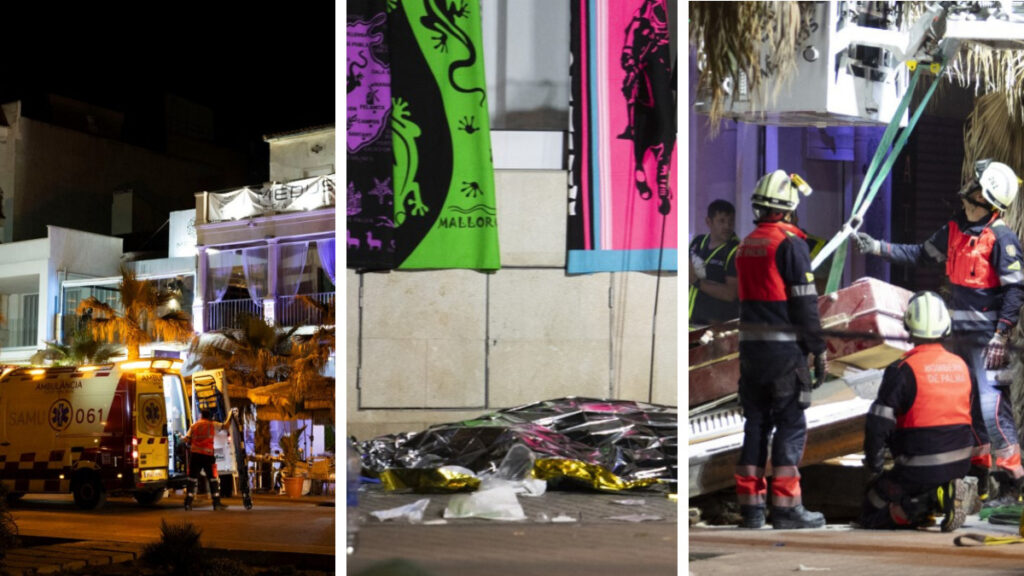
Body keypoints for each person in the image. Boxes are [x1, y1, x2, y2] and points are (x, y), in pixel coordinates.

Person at [857, 159, 1024, 507]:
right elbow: (920, 254)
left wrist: (1001, 335)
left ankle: (1013, 482)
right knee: (970, 409)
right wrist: (877, 247)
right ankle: (977, 481)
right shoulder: (953, 231)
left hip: (988, 340)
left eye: (975, 184)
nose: (967, 186)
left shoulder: (1003, 239)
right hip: (958, 337)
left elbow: (1015, 290)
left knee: (994, 411)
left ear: (986, 197)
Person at [734, 169, 827, 529]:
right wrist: (817, 348)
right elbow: (805, 304)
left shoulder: (746, 244)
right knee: (790, 424)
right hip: (784, 356)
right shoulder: (790, 244)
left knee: (755, 426)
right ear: (789, 209)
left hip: (751, 356)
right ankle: (787, 509)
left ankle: (752, 510)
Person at [860, 291, 976, 531]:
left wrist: (875, 464)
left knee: (872, 506)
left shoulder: (902, 369)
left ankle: (922, 504)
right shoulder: (961, 365)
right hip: (961, 463)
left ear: (908, 325)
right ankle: (943, 494)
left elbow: (878, 424)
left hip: (918, 467)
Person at [689, 200, 740, 326]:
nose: (727, 226)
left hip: (716, 328)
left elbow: (731, 293)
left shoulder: (736, 250)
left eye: (731, 221)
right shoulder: (697, 241)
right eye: (721, 221)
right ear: (708, 222)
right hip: (690, 322)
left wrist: (696, 282)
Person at [184, 407, 237, 511]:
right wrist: (230, 415)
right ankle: (216, 504)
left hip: (195, 455)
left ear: (201, 416)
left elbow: (186, 439)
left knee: (192, 479)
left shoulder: (194, 426)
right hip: (207, 455)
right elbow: (226, 426)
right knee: (212, 479)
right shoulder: (212, 424)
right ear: (210, 417)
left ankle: (188, 504)